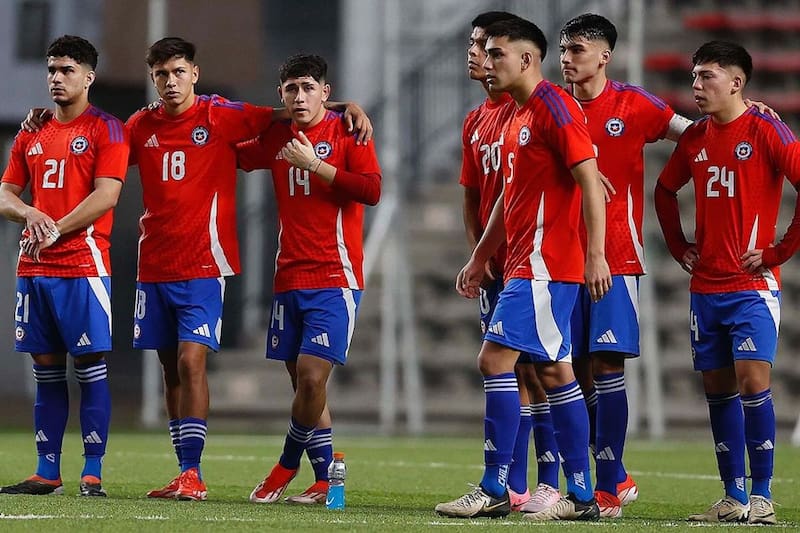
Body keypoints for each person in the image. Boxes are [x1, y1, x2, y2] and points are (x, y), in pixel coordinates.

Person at [20, 38, 372, 503]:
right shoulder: (139, 125)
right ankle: (190, 470)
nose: (171, 82)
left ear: (195, 73)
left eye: (179, 72)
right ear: (152, 79)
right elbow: (96, 151)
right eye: (162, 74)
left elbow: (282, 113)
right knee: (171, 371)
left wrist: (348, 105)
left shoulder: (221, 115)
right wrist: (46, 124)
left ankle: (222, 472)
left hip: (208, 265)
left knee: (194, 361)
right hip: (155, 266)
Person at [435, 17, 611, 521]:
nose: (486, 64)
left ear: (528, 60)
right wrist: (480, 254)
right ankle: (580, 495)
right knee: (556, 371)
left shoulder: (555, 106)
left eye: (496, 55)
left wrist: (595, 253)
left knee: (495, 362)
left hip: (544, 264)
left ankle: (495, 487)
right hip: (523, 263)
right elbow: (508, 199)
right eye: (485, 54)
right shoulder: (517, 115)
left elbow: (591, 182)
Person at [654, 40, 800, 525]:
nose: (696, 86)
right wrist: (679, 247)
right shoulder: (694, 138)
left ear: (736, 82)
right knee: (717, 390)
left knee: (752, 381)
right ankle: (732, 497)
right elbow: (664, 189)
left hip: (751, 287)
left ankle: (761, 496)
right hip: (705, 289)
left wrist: (779, 252)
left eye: (706, 76)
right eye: (694, 76)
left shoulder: (765, 129)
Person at [557, 13, 691, 517]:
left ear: (604, 55)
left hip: (615, 254)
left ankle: (610, 483)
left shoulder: (632, 104)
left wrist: (746, 118)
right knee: (568, 372)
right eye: (564, 50)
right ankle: (600, 474)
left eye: (577, 50)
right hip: (559, 257)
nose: (567, 59)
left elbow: (694, 135)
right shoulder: (552, 105)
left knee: (607, 365)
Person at [236, 53, 381, 504]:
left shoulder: (348, 130)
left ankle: (285, 465)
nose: (300, 97)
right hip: (288, 278)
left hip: (334, 277)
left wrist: (316, 164)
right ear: (281, 95)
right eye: (291, 89)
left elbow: (372, 189)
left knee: (313, 378)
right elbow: (235, 155)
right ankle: (325, 480)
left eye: (308, 88)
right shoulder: (279, 135)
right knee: (304, 386)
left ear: (325, 92)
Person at [0, 35, 129, 497]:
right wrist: (30, 213)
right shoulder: (30, 131)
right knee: (46, 369)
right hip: (34, 270)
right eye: (52, 70)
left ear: (89, 77)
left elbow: (107, 195)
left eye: (67, 70)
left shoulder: (107, 129)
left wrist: (56, 226)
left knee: (90, 366)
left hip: (83, 265)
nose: (56, 78)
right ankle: (46, 472)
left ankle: (92, 471)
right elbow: (5, 194)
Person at [459, 10, 560, 513]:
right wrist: (479, 253)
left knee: (540, 370)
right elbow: (476, 194)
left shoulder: (527, 108)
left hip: (536, 258)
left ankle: (550, 481)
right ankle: (514, 485)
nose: (475, 53)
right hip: (498, 263)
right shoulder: (476, 121)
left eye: (485, 45)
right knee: (516, 374)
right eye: (474, 44)